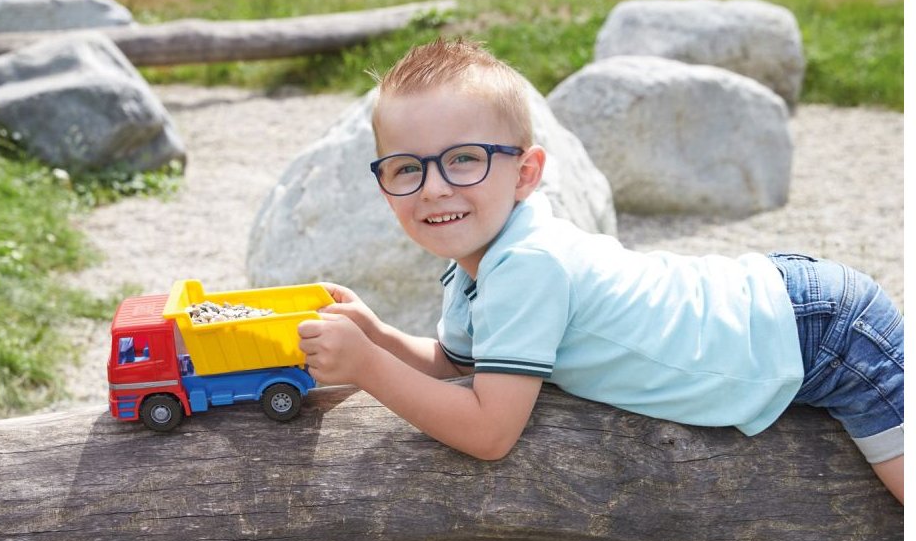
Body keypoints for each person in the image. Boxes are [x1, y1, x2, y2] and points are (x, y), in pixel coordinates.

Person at [297, 38, 904, 504]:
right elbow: (462, 368)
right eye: (407, 168)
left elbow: (489, 431)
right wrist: (380, 336)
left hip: (820, 336)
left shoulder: (528, 266)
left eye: (463, 159)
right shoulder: (478, 266)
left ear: (526, 174)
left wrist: (368, 365)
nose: (433, 187)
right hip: (776, 308)